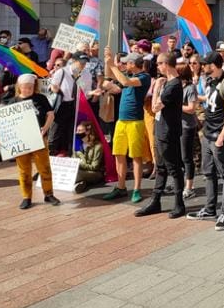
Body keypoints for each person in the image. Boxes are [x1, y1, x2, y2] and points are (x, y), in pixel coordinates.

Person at [186, 51, 224, 231]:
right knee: (208, 173)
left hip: (220, 136)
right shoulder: (209, 81)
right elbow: (209, 101)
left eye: (205, 64)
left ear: (213, 65)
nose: (202, 67)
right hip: (207, 133)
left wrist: (222, 138)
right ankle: (210, 209)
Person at [135, 53, 186, 218]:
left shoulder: (173, 85)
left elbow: (155, 107)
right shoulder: (168, 83)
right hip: (160, 128)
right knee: (161, 168)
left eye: (159, 64)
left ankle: (179, 204)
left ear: (166, 64)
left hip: (168, 132)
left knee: (173, 168)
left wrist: (156, 88)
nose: (157, 67)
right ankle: (155, 201)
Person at [1, 74, 61, 209]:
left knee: (44, 167)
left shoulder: (41, 98)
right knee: (24, 169)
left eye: (30, 87)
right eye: (25, 87)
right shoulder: (13, 102)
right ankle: (26, 197)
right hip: (21, 141)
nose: (28, 90)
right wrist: (2, 138)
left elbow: (50, 114)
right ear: (19, 87)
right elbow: (5, 124)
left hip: (39, 139)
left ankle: (49, 194)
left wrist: (45, 129)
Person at [102, 49, 151, 203]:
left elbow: (125, 82)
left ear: (133, 64)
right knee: (119, 155)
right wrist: (107, 61)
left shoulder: (144, 77)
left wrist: (113, 65)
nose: (124, 64)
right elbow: (108, 78)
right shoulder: (128, 75)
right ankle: (121, 187)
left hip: (135, 122)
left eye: (127, 62)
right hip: (121, 121)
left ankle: (137, 189)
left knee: (136, 157)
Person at [176, 63, 199, 200]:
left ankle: (189, 187)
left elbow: (191, 108)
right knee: (178, 157)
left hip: (187, 126)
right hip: (177, 125)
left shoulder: (190, 88)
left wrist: (177, 106)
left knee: (186, 157)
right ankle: (181, 182)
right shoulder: (177, 86)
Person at [74, 121, 105, 193]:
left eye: (80, 131)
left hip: (96, 173)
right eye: (77, 130)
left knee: (77, 174)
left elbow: (95, 167)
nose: (77, 133)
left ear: (87, 132)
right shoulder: (78, 145)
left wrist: (79, 164)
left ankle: (83, 181)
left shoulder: (98, 146)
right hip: (84, 171)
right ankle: (83, 183)